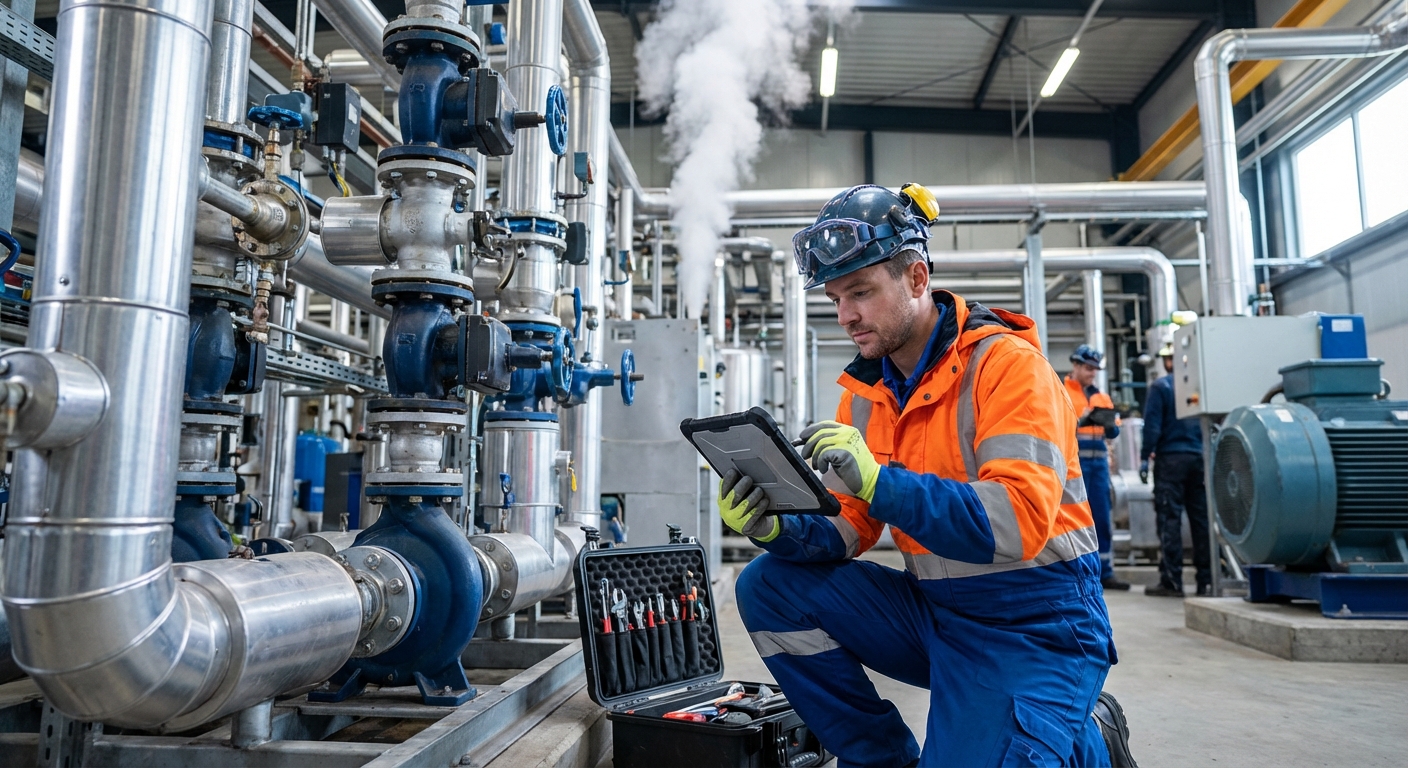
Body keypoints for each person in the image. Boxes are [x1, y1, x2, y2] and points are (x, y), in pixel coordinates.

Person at [720, 184, 1136, 767]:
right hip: (938, 613)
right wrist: (775, 526)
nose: (846, 316)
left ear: (917, 279)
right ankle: (884, 762)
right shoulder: (865, 395)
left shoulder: (1009, 367)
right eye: (836, 297)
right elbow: (848, 530)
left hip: (1037, 624)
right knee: (768, 585)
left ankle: (1086, 736)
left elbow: (1016, 522)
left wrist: (879, 483)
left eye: (860, 292)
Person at [1140, 345, 1211, 597]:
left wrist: (1144, 458)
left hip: (1171, 460)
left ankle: (1172, 581)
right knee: (1201, 520)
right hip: (1198, 459)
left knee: (1169, 518)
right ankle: (1207, 581)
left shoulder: (1161, 387)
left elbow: (1152, 427)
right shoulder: (1198, 387)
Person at [1064, 345, 1131, 591]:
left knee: (1101, 518)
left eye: (1095, 369)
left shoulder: (1102, 397)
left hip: (1099, 465)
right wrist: (1081, 420)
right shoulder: (1062, 392)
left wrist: (1111, 426)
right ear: (1076, 365)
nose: (1092, 373)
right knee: (1072, 518)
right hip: (1074, 466)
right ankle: (1075, 572)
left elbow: (1114, 429)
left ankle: (1105, 572)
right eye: (1089, 368)